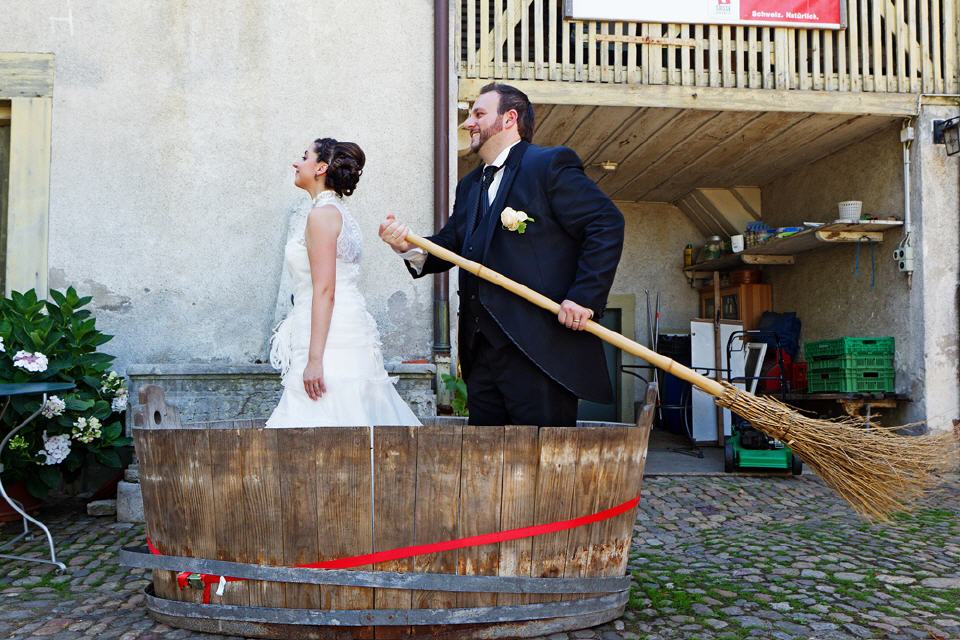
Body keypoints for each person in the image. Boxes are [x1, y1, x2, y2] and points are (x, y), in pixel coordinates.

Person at [379, 82, 624, 427]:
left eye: (479, 114)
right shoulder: (469, 185)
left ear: (510, 118)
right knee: (489, 466)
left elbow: (605, 223)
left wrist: (584, 297)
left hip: (539, 351)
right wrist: (410, 246)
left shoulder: (549, 165)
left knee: (541, 464)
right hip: (481, 354)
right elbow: (453, 243)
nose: (468, 123)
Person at [267, 138, 420, 427]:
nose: (296, 163)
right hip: (344, 328)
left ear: (321, 167)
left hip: (329, 337)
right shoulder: (340, 214)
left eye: (304, 157)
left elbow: (325, 289)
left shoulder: (321, 216)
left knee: (322, 416)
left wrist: (314, 360)